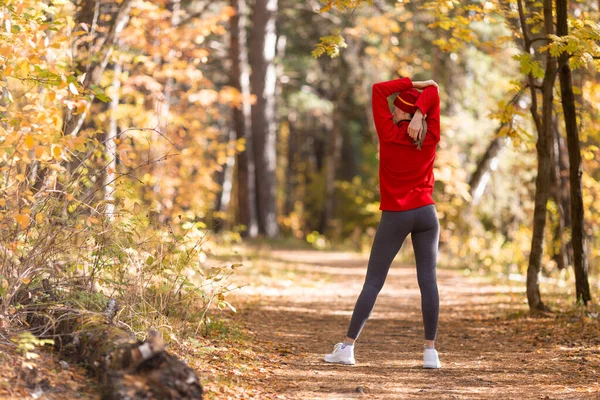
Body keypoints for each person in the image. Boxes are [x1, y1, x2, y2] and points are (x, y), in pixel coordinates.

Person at [324, 77, 442, 369]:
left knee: (374, 282)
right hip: (427, 214)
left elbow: (378, 89)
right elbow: (435, 92)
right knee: (428, 282)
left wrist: (414, 83)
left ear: (402, 112)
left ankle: (348, 348)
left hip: (396, 215)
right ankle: (430, 353)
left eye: (397, 110)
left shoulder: (388, 132)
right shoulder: (431, 135)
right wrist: (420, 111)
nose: (391, 113)